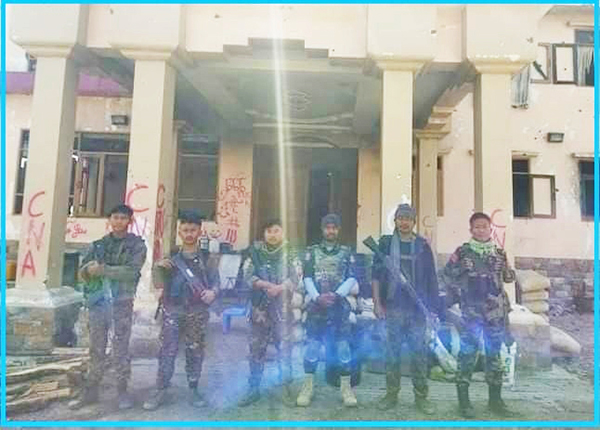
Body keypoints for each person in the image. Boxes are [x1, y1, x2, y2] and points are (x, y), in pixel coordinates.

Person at [69, 204, 147, 410]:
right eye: (115, 217)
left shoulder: (136, 246)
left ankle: (122, 391)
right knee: (96, 348)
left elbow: (131, 272)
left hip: (121, 303)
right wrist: (89, 270)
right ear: (109, 220)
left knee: (121, 347)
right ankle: (91, 391)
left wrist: (103, 270)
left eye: (123, 218)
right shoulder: (98, 245)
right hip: (98, 303)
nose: (119, 221)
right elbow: (82, 272)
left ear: (130, 221)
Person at [143, 210, 219, 411]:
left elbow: (216, 283)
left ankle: (193, 389)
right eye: (185, 230)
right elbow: (158, 284)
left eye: (193, 230)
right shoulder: (170, 257)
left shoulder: (207, 258)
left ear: (199, 231)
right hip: (172, 310)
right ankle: (161, 390)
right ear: (179, 232)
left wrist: (212, 293)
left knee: (195, 351)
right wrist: (158, 267)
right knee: (167, 351)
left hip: (197, 311)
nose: (189, 234)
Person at [443, 212, 515, 418]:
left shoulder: (499, 253)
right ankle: (464, 402)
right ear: (471, 230)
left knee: (494, 355)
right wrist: (460, 273)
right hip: (472, 312)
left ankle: (495, 401)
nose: (481, 230)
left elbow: (509, 278)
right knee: (467, 354)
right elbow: (446, 274)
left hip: (494, 313)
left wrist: (506, 269)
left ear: (490, 229)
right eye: (477, 227)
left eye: (484, 226)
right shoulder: (462, 252)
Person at [371, 204, 440, 415]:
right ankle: (391, 395)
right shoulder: (385, 244)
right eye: (400, 218)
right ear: (395, 221)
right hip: (393, 308)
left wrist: (433, 308)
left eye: (408, 218)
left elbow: (431, 279)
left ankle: (421, 398)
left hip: (417, 310)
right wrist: (377, 303)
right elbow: (375, 276)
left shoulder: (422, 246)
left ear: (414, 222)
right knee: (392, 354)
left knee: (419, 355)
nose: (404, 222)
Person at [296, 214, 358, 407]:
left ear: (338, 230)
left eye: (334, 228)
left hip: (339, 307)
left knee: (343, 348)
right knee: (312, 348)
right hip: (317, 307)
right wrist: (317, 297)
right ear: (322, 230)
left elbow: (352, 277)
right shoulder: (311, 252)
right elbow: (307, 277)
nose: (331, 231)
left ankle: (346, 390)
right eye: (327, 227)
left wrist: (337, 295)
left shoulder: (347, 252)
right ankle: (307, 388)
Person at [238, 219, 301, 407]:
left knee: (285, 349)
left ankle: (284, 389)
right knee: (256, 350)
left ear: (283, 232)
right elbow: (247, 274)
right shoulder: (255, 252)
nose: (272, 235)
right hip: (260, 309)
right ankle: (253, 389)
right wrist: (265, 285)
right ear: (264, 233)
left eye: (276, 231)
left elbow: (297, 275)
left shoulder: (291, 252)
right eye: (269, 231)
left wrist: (280, 288)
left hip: (282, 309)